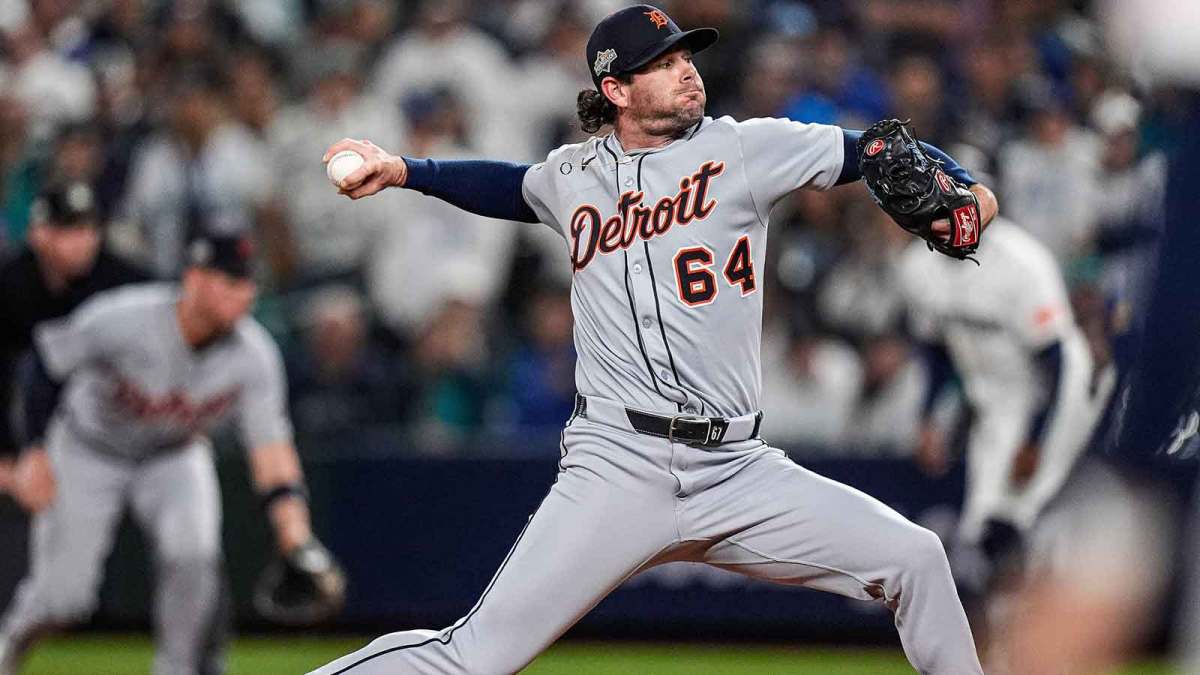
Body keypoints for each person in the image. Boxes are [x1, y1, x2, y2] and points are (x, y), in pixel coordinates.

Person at [312, 6, 998, 674]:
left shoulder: (744, 149)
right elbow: (509, 186)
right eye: (662, 64)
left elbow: (878, 149)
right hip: (618, 464)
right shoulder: (571, 177)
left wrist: (967, 191)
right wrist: (406, 169)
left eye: (684, 57)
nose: (687, 73)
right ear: (615, 89)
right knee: (476, 654)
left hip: (737, 468)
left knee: (917, 558)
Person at [0, 233, 337, 675]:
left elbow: (271, 452)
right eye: (230, 282)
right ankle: (8, 649)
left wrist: (296, 537)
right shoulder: (124, 318)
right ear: (194, 279)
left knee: (193, 558)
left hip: (173, 455)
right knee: (63, 598)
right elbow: (43, 367)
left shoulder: (254, 355)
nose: (243, 295)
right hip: (89, 449)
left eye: (248, 284)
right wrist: (35, 452)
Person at [897, 218, 1116, 661]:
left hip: (1053, 399)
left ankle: (1038, 648)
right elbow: (937, 351)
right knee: (982, 534)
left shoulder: (1022, 262)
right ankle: (1002, 650)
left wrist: (1034, 442)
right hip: (995, 403)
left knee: (1012, 525)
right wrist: (929, 419)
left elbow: (1054, 363)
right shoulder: (918, 266)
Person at [0, 180, 149, 471]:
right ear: (39, 235)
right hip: (30, 420)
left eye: (90, 229)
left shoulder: (121, 282)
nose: (84, 240)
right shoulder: (10, 285)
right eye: (71, 229)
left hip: (108, 421)